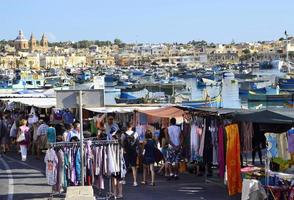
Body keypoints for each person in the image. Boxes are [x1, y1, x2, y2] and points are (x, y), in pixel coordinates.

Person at [121, 122, 139, 186]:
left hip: (126, 152)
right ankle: (135, 181)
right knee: (134, 166)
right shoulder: (135, 134)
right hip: (133, 152)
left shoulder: (123, 134)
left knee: (125, 166)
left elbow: (122, 143)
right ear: (131, 127)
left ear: (126, 127)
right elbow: (137, 143)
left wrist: (123, 150)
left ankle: (123, 180)